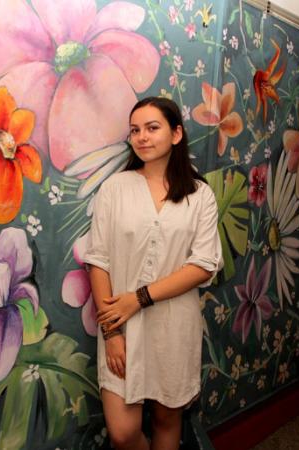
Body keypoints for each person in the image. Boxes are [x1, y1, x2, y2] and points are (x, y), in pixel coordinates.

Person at [82, 96, 223, 450]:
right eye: (135, 130)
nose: (142, 137)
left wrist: (139, 298)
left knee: (165, 420)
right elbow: (98, 261)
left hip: (173, 327)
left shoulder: (200, 195)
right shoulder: (115, 189)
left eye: (152, 128)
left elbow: (203, 265)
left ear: (176, 134)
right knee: (123, 432)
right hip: (121, 327)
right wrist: (112, 332)